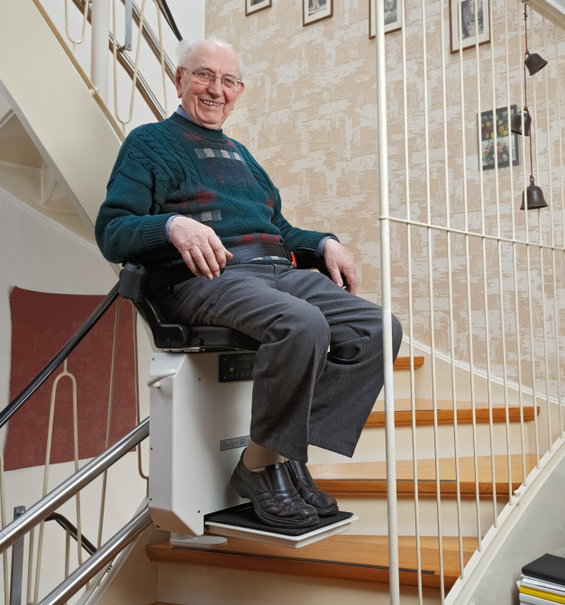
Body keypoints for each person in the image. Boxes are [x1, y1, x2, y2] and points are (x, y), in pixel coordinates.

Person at [95, 37, 402, 529]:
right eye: (203, 75)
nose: (215, 89)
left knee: (378, 329)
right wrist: (172, 226)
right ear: (179, 80)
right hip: (208, 275)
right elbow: (112, 232)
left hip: (278, 271)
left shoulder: (242, 156)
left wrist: (324, 243)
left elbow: (278, 229)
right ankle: (260, 468)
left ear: (239, 91)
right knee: (303, 326)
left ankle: (278, 452)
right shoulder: (148, 144)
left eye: (228, 80)